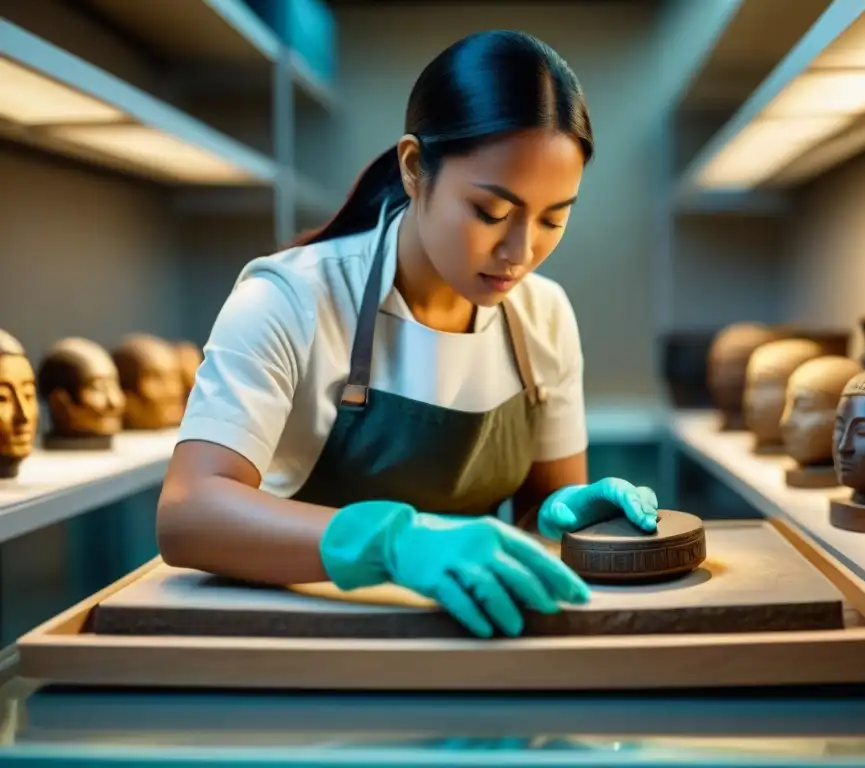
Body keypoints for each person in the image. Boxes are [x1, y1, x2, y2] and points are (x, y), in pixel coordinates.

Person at [156, 29, 659, 639]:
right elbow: (189, 514)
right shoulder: (289, 299)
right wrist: (395, 541)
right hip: (300, 639)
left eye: (554, 218)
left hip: (465, 638)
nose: (520, 253)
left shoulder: (543, 316)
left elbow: (537, 517)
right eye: (491, 213)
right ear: (416, 168)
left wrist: (562, 517)